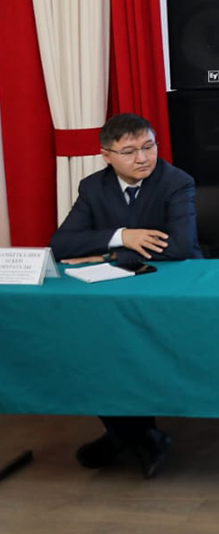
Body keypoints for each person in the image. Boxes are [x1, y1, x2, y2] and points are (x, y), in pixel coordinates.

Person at [49, 112, 201, 478]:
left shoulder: (176, 182)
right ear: (106, 156)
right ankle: (134, 434)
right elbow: (61, 244)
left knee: (132, 344)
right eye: (130, 151)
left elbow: (179, 247)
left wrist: (108, 253)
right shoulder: (93, 187)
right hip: (112, 291)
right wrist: (122, 236)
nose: (143, 158)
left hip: (172, 289)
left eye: (149, 147)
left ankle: (127, 437)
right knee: (87, 343)